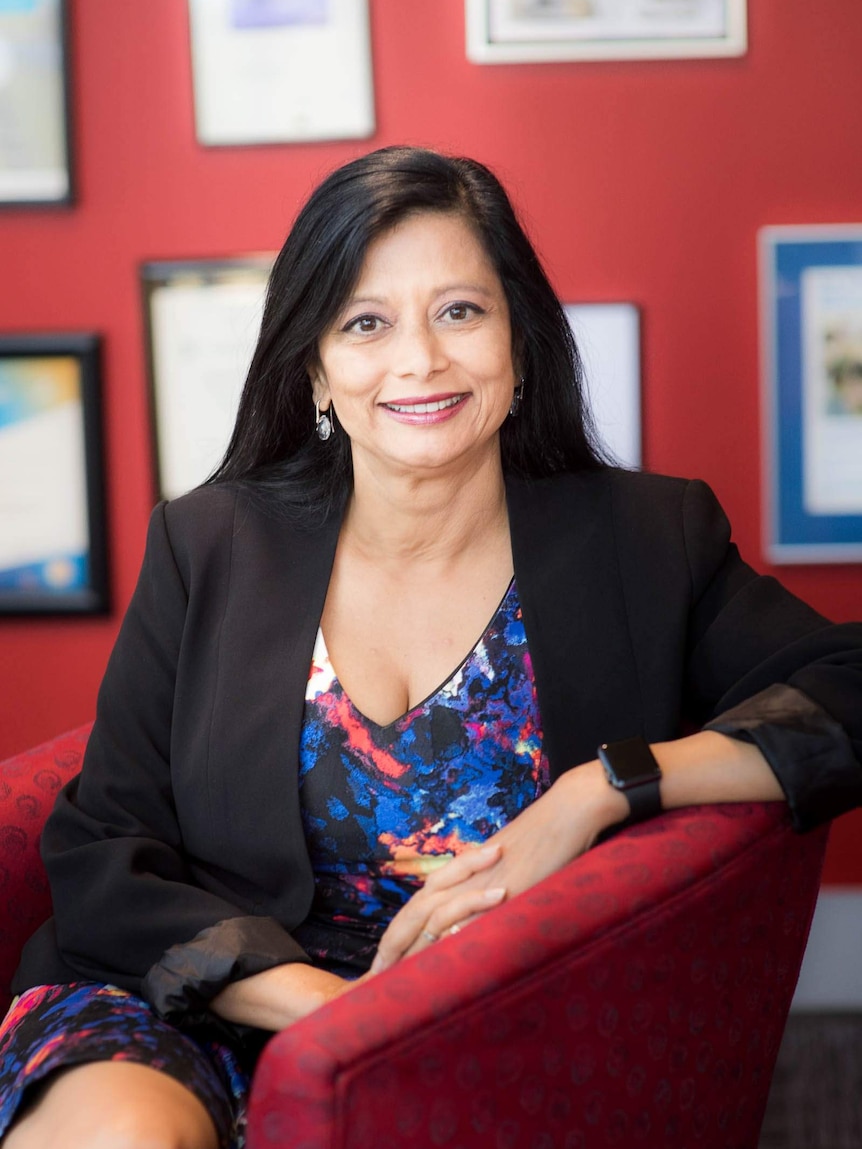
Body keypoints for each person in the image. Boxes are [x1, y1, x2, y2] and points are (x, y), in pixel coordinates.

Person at [1, 145, 860, 1149]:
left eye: (460, 311)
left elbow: (845, 688)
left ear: (520, 344)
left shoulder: (642, 538)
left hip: (491, 1020)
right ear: (315, 364)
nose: (419, 361)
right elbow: (103, 843)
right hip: (214, 998)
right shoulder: (210, 544)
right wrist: (325, 1011)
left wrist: (599, 790)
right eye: (367, 323)